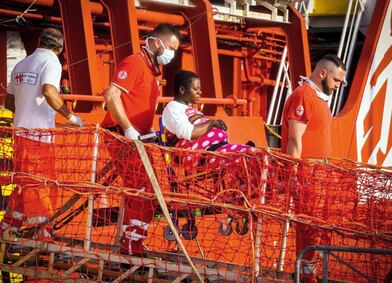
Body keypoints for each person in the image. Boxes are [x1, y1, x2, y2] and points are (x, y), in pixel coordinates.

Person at [101, 23, 181, 256]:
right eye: (170, 48)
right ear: (156, 43)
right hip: (123, 137)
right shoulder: (135, 62)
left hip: (137, 139)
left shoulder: (152, 71)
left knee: (143, 189)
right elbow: (112, 95)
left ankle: (131, 240)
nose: (171, 55)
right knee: (143, 189)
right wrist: (128, 129)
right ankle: (130, 244)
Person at [1, 28, 84, 240]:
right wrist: (71, 117)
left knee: (24, 182)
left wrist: (25, 113)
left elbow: (9, 102)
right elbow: (48, 90)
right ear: (60, 48)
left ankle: (10, 225)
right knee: (40, 183)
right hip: (39, 138)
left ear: (39, 41)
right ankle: (41, 231)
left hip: (20, 135)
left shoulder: (22, 64)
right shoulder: (51, 62)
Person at [281, 54, 346, 282]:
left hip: (321, 174)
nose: (338, 86)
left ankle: (312, 273)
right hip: (308, 174)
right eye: (336, 81)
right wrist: (293, 175)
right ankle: (305, 276)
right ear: (323, 74)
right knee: (309, 227)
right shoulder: (303, 96)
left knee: (320, 227)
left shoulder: (318, 99)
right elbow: (294, 141)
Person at [162, 69, 253, 158]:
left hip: (215, 150)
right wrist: (211, 123)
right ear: (182, 89)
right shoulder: (173, 107)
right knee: (250, 155)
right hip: (201, 157)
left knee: (252, 154)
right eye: (196, 89)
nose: (200, 92)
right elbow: (188, 133)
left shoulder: (189, 109)